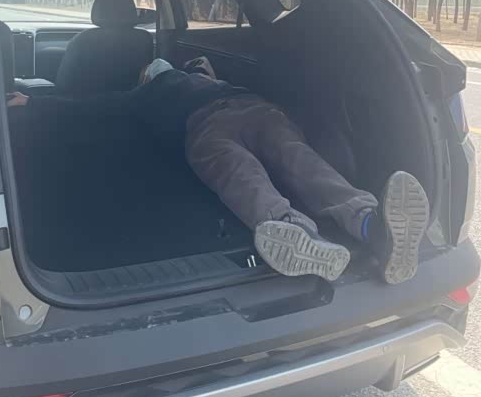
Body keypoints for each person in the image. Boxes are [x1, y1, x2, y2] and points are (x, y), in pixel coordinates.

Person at [133, 57, 430, 284]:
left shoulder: (159, 88)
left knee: (237, 170)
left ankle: (292, 228)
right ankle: (369, 223)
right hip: (253, 108)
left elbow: (138, 114)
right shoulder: (203, 76)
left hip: (209, 121)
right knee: (300, 161)